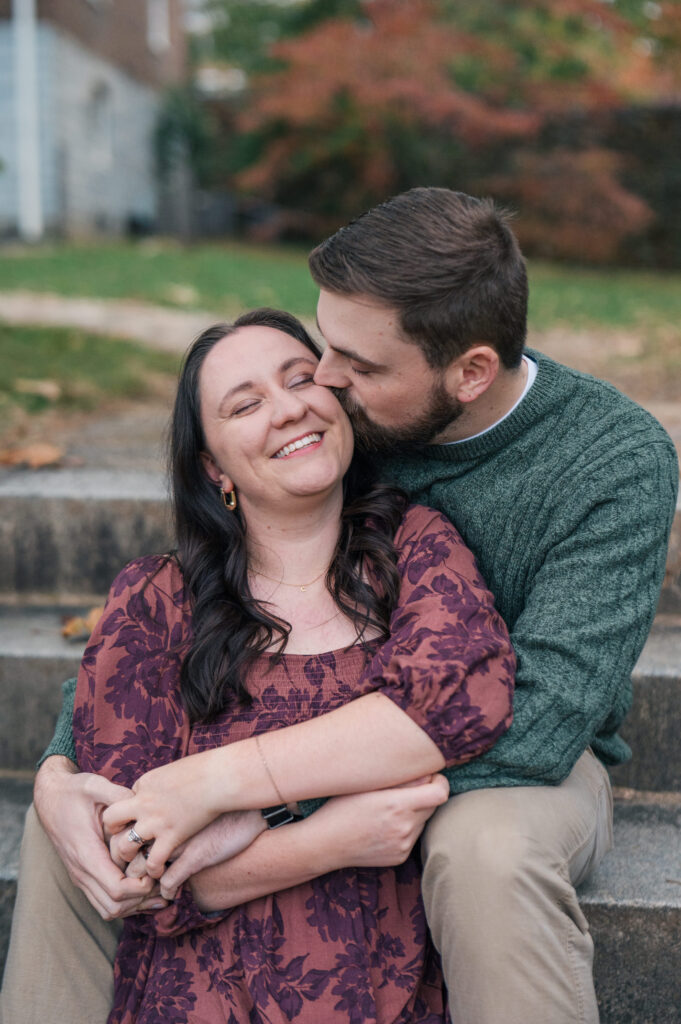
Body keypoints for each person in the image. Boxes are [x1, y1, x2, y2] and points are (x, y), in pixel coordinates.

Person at [2, 187, 678, 1024]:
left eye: (354, 366)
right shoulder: (343, 419)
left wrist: (254, 813)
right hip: (299, 710)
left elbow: (539, 721)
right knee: (68, 825)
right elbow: (188, 598)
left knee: (486, 850)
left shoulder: (612, 460)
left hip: (513, 753)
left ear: (467, 372)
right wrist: (61, 768)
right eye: (325, 346)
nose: (320, 384)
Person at [1, 307, 514, 1024]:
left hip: (379, 988)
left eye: (301, 378)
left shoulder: (416, 550)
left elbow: (462, 698)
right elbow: (130, 858)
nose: (287, 409)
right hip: (197, 998)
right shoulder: (156, 602)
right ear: (213, 469)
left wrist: (233, 810)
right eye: (244, 405)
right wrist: (323, 841)